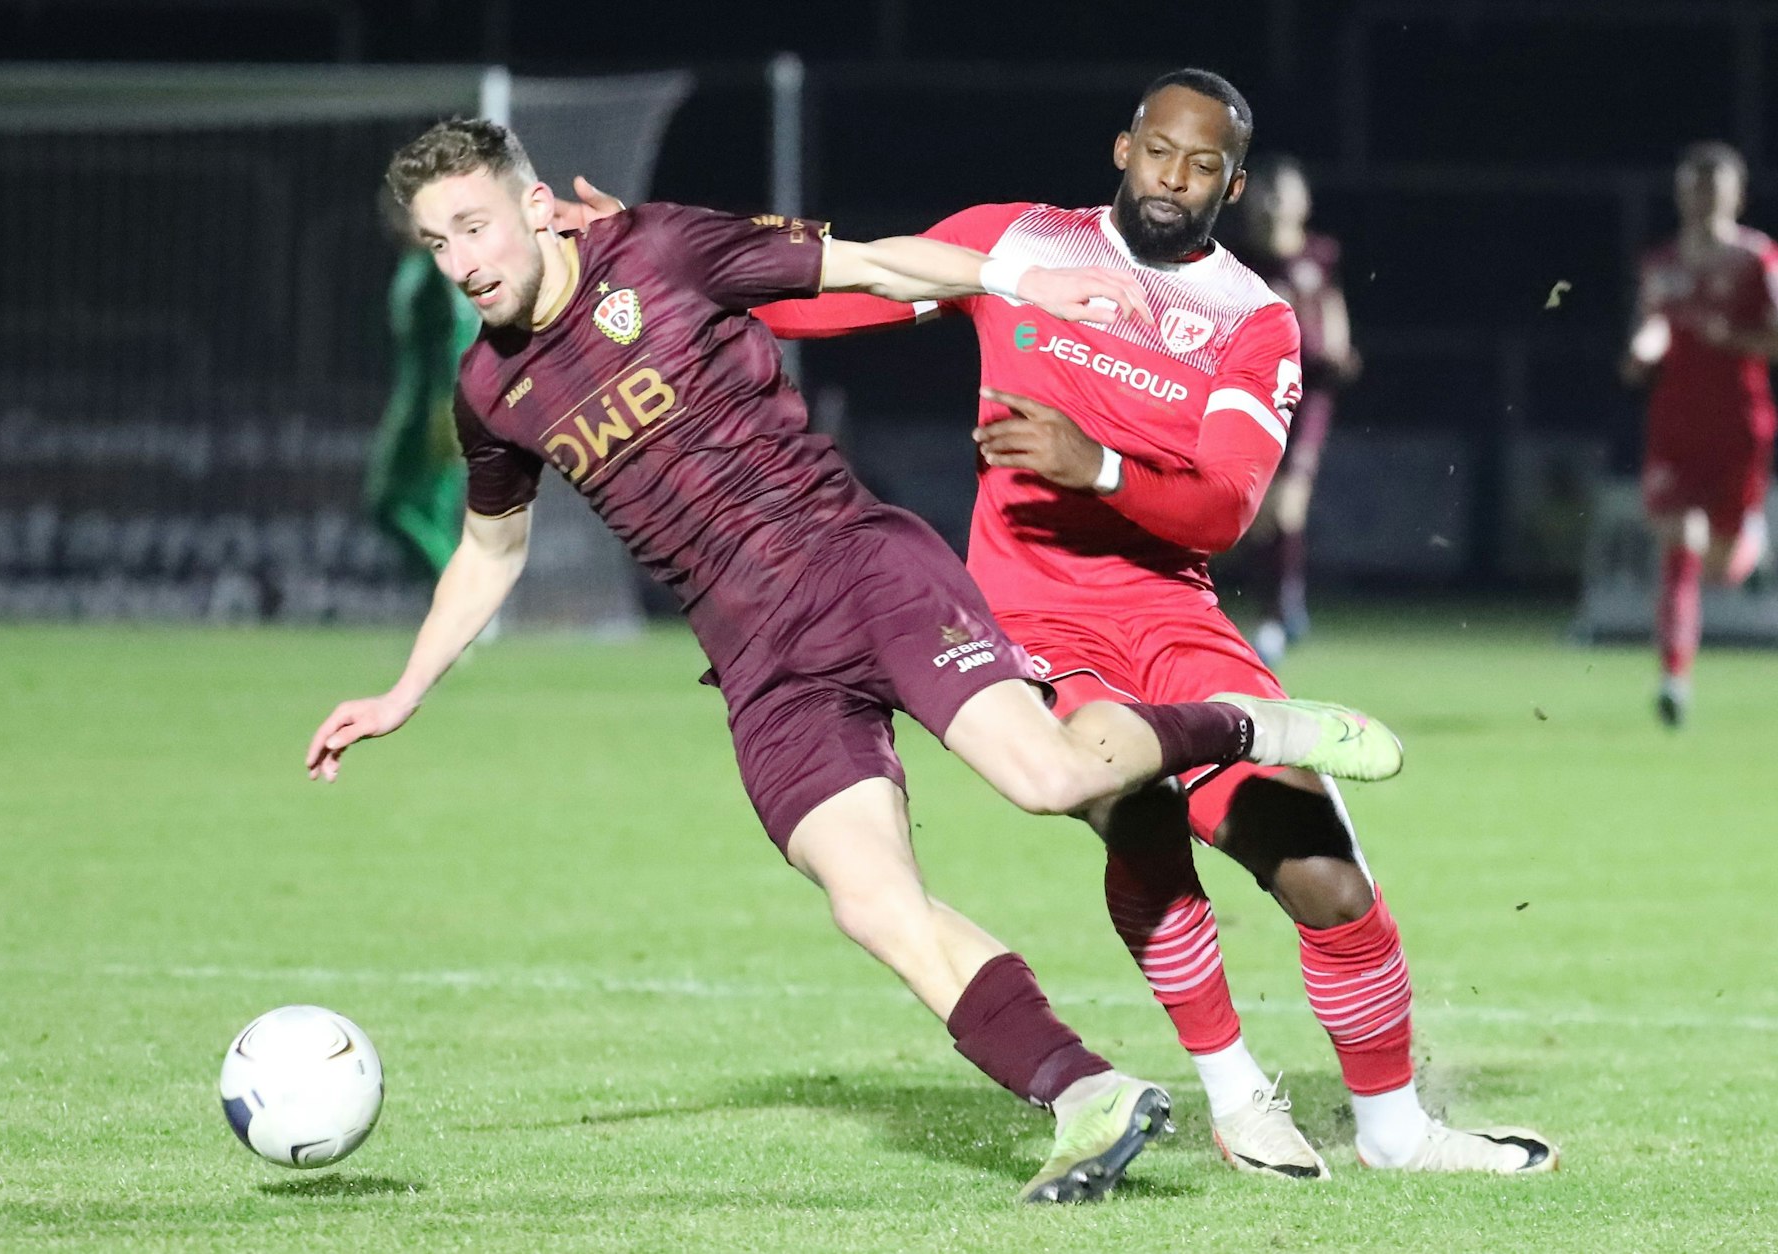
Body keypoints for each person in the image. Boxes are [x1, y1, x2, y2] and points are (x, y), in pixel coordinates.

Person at [306, 117, 1405, 1205]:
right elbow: (490, 550)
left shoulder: (658, 248)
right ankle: (1087, 1096)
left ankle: (1253, 726)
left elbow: (872, 265)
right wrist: (403, 690)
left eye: (473, 228)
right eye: (436, 242)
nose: (461, 263)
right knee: (869, 902)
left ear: (532, 207)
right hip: (756, 659)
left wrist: (1013, 283)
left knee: (1048, 778)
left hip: (860, 570)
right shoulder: (491, 394)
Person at [745, 69, 1557, 1177]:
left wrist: (1099, 465)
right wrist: (658, 255)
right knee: (1135, 822)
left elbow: (1223, 507)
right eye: (1160, 151)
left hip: (1172, 618)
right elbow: (825, 294)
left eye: (1203, 163)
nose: (1175, 177)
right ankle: (1234, 1095)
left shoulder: (1251, 320)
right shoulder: (1019, 244)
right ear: (1122, 147)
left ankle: (1395, 1131)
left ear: (1230, 181)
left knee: (1322, 872)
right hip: (1032, 625)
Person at [1621, 141, 1778, 728]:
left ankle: (1746, 543)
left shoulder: (1756, 257)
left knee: (1721, 563)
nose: (1703, 196)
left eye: (1714, 185)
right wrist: (1642, 351)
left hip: (1739, 423)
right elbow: (1653, 325)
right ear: (1681, 193)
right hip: (1676, 424)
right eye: (1694, 185)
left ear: (1735, 194)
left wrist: (1727, 336)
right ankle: (1673, 679)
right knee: (1680, 544)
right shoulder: (1661, 263)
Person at [1229, 155, 1361, 667]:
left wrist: (1341, 349)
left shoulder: (1320, 255)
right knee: (1261, 522)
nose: (1275, 203)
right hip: (1255, 393)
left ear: (1303, 202)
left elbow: (1331, 311)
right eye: (1267, 192)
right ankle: (1279, 603)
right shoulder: (1236, 258)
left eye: (1284, 192)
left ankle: (1281, 611)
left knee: (1288, 506)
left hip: (1308, 398)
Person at [365, 188, 481, 578]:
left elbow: (453, 339)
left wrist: (444, 407)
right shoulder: (424, 263)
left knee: (387, 504)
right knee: (430, 512)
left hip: (429, 407)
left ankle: (458, 597)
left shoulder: (437, 269)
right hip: (430, 401)